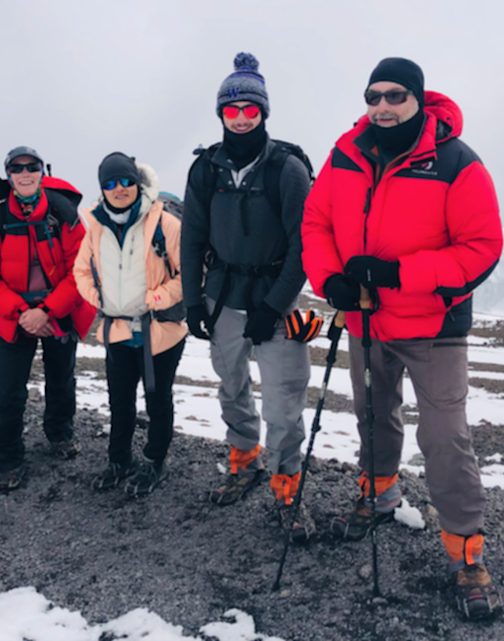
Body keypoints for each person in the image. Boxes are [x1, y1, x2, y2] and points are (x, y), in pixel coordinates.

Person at [301, 58, 504, 619]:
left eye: (395, 96)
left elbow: (481, 248)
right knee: (372, 415)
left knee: (443, 438)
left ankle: (466, 554)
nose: (383, 107)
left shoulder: (455, 162)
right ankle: (380, 494)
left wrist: (397, 273)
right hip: (366, 321)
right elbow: (315, 221)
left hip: (434, 327)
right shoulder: (346, 155)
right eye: (374, 96)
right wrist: (331, 279)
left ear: (417, 98)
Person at [181, 53, 315, 541]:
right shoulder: (206, 169)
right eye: (231, 110)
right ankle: (244, 461)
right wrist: (193, 301)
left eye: (249, 110)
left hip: (274, 300)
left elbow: (304, 246)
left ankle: (287, 485)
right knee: (231, 387)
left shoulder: (287, 168)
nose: (240, 118)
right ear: (221, 114)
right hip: (222, 301)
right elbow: (192, 237)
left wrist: (273, 307)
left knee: (282, 400)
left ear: (263, 113)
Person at [0, 146, 96, 492]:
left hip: (57, 311)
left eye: (31, 167)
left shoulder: (64, 214)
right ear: (8, 175)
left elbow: (80, 269)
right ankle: (8, 461)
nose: (25, 174)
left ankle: (60, 435)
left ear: (42, 172)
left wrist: (46, 310)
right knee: (9, 392)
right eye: (17, 168)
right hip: (17, 316)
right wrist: (22, 312)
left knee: (61, 379)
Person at [74, 153, 187, 495]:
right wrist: (99, 299)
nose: (119, 189)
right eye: (110, 183)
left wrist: (156, 299)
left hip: (160, 332)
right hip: (118, 330)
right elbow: (81, 271)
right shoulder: (96, 227)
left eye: (125, 181)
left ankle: (155, 461)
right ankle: (119, 459)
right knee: (120, 399)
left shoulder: (166, 224)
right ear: (102, 189)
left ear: (137, 184)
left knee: (157, 400)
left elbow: (188, 276)